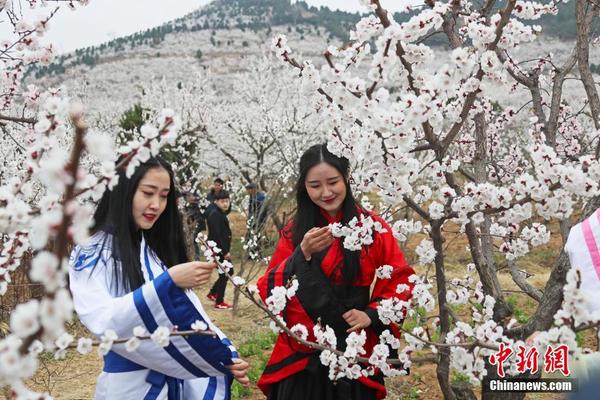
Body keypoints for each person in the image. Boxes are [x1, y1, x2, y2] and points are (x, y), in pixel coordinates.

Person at [69, 156, 249, 399]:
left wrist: (225, 351)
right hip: (128, 388)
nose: (156, 204)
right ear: (123, 190)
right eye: (148, 193)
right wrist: (167, 283)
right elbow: (101, 318)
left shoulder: (150, 251)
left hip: (174, 384)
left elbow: (190, 312)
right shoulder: (91, 250)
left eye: (164, 196)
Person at [256, 144, 415, 400]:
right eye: (315, 185)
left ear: (347, 177)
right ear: (304, 186)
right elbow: (269, 286)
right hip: (305, 343)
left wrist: (372, 314)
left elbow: (401, 278)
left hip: (354, 340)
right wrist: (301, 254)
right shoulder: (294, 231)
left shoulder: (371, 226)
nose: (326, 192)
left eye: (333, 182)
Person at [206, 190, 234, 310]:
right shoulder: (215, 215)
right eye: (222, 201)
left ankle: (213, 293)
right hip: (218, 248)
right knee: (226, 273)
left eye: (227, 201)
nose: (225, 204)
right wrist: (224, 251)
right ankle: (219, 301)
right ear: (216, 202)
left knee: (227, 272)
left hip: (219, 248)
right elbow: (217, 235)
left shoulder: (219, 213)